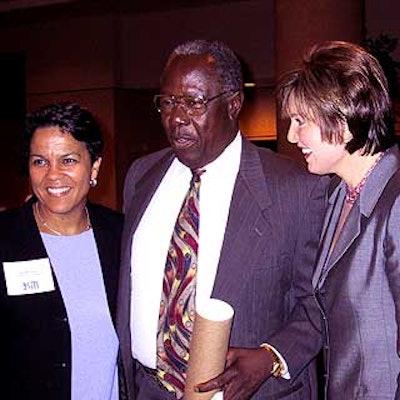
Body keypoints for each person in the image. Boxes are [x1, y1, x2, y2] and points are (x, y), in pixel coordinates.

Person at [117, 39, 328, 400]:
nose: (177, 117)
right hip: (148, 389)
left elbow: (320, 303)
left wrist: (271, 358)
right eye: (167, 102)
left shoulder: (296, 191)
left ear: (233, 104)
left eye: (194, 103)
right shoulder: (141, 176)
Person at [203, 40, 400, 399]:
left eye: (300, 121)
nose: (292, 137)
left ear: (342, 118)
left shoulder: (395, 201)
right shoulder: (336, 195)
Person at [0, 102, 123, 400]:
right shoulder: (6, 237)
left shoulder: (121, 234)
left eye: (68, 161)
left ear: (94, 167)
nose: (53, 175)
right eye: (40, 162)